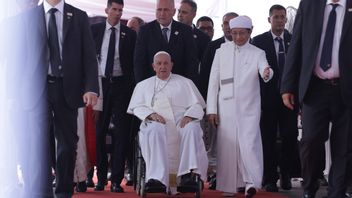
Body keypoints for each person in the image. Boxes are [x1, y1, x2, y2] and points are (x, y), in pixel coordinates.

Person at [280, 0, 352, 197]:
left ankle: (337, 192)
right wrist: (287, 85)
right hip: (315, 87)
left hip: (347, 88)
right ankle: (309, 188)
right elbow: (297, 43)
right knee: (310, 141)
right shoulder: (309, 4)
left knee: (343, 146)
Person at [207, 16, 273, 197]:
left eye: (242, 33)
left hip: (249, 107)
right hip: (225, 106)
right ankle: (229, 185)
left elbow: (264, 69)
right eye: (234, 33)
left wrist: (267, 73)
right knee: (228, 145)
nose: (238, 37)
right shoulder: (221, 51)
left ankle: (251, 182)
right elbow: (213, 81)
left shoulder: (257, 52)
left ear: (250, 32)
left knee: (249, 144)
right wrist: (212, 109)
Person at [127, 51, 208, 193]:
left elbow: (197, 105)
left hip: (180, 122)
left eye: (166, 63)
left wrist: (189, 115)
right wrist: (151, 114)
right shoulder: (143, 85)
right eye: (159, 63)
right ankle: (157, 178)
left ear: (171, 65)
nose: (162, 66)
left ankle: (188, 175)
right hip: (155, 123)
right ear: (153, 66)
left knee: (192, 129)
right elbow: (137, 107)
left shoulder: (185, 82)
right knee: (155, 130)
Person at [252, 4, 299, 192]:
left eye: (282, 17)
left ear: (286, 19)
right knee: (268, 138)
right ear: (269, 19)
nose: (280, 20)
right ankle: (269, 178)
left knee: (289, 136)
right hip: (267, 100)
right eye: (276, 17)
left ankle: (286, 175)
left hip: (290, 99)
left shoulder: (294, 39)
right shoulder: (259, 41)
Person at [91, 0, 136, 193]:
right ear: (107, 10)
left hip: (121, 86)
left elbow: (134, 62)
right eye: (114, 9)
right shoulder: (95, 29)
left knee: (121, 133)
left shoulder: (130, 34)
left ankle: (116, 179)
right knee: (99, 132)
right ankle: (100, 178)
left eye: (120, 10)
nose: (117, 13)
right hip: (99, 84)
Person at [198, 12, 238, 190]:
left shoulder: (250, 45)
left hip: (242, 104)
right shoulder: (213, 46)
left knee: (237, 141)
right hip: (218, 103)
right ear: (221, 26)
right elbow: (206, 77)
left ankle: (238, 176)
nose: (229, 26)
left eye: (232, 23)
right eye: (225, 23)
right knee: (215, 142)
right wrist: (210, 105)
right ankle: (215, 175)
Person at [133, 0, 198, 84]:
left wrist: (188, 86)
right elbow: (139, 63)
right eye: (159, 10)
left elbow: (191, 62)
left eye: (166, 10)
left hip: (179, 86)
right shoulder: (145, 31)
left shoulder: (185, 31)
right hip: (153, 86)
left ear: (174, 12)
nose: (162, 13)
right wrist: (142, 87)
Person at [177, 0, 210, 67]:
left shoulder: (203, 38)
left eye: (184, 12)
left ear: (193, 14)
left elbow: (205, 64)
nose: (180, 15)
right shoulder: (169, 32)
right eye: (179, 11)